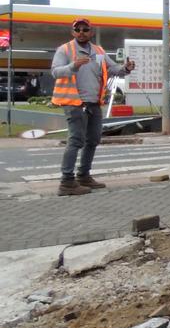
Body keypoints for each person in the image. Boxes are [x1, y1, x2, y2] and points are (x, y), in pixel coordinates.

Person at [50, 18, 135, 196]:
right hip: (74, 103)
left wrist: (126, 68)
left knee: (93, 140)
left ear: (91, 32)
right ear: (72, 32)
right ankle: (66, 182)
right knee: (75, 140)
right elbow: (55, 71)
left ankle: (84, 175)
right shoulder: (65, 50)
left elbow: (113, 69)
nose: (81, 32)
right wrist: (73, 66)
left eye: (85, 29)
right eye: (78, 29)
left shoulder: (98, 51)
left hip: (94, 103)